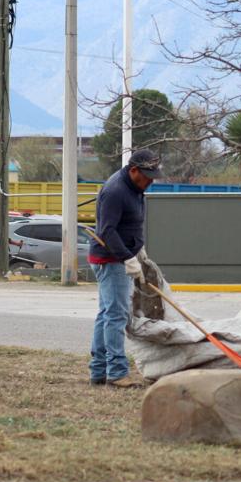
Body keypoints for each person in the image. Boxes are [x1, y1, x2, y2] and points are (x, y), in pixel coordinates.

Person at [88, 149, 162, 388]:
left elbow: (129, 225)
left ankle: (98, 371)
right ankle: (117, 373)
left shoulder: (135, 188)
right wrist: (127, 258)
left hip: (120, 256)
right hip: (111, 261)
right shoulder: (116, 191)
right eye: (147, 176)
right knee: (116, 315)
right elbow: (107, 231)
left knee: (107, 314)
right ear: (133, 170)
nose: (150, 181)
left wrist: (138, 250)